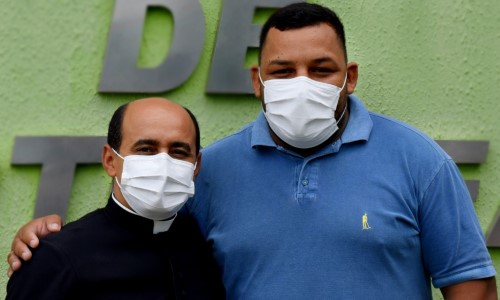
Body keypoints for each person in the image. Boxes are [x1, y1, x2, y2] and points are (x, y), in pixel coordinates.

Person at [7, 3, 497, 299]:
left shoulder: (419, 162)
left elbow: (469, 283)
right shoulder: (208, 171)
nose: (301, 84)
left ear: (348, 78)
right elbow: (141, 234)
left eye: (321, 69)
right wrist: (47, 244)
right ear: (257, 82)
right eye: (282, 71)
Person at [6, 98, 224, 299]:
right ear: (110, 160)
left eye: (178, 151)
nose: (163, 164)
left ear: (196, 166)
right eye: (146, 149)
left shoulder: (200, 242)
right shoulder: (57, 258)